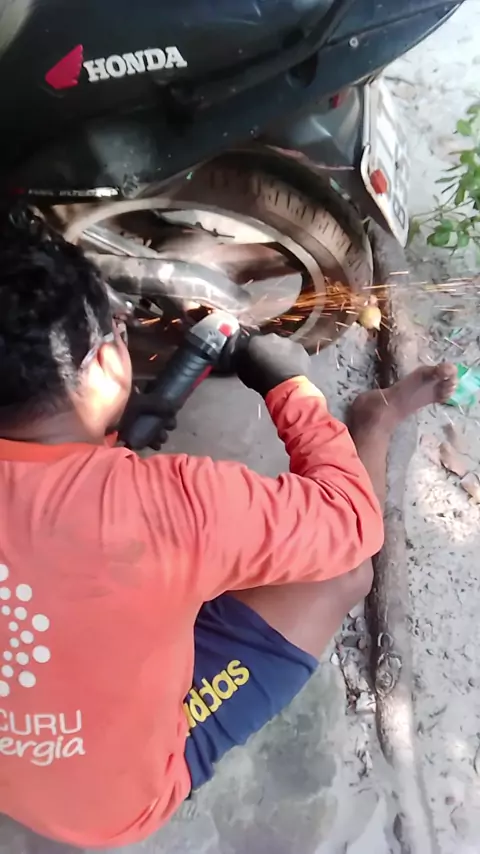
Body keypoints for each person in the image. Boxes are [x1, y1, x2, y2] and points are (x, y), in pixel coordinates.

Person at [0, 215, 456, 848]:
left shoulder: (149, 508)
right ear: (104, 366)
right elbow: (351, 523)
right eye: (118, 329)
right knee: (344, 572)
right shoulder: (167, 506)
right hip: (110, 807)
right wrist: (289, 386)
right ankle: (373, 423)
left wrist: (103, 444)